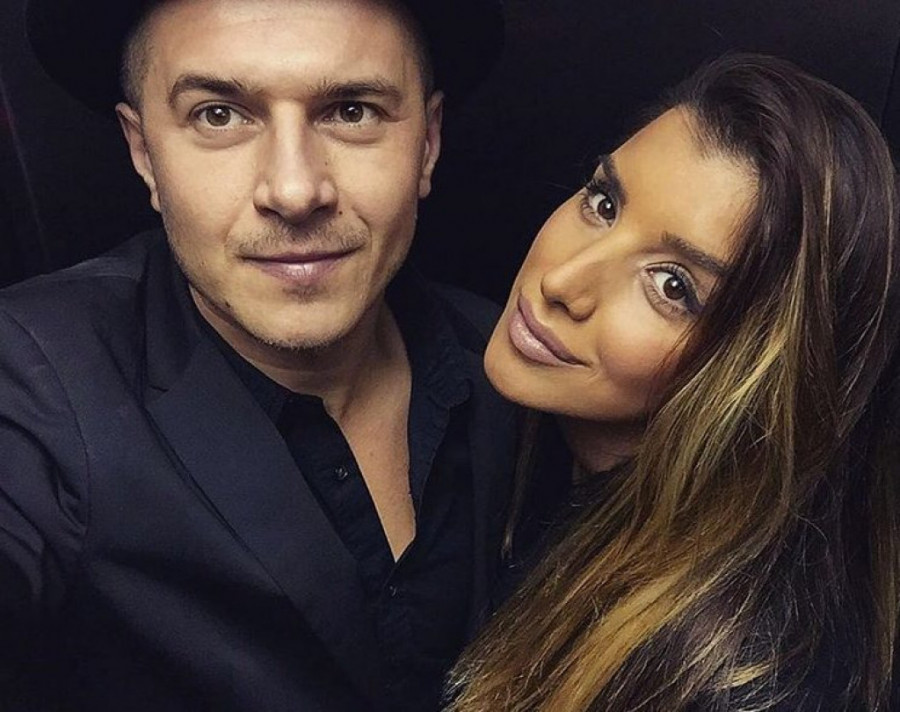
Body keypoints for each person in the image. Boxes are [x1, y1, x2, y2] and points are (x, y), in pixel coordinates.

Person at [0, 1, 517, 710]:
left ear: (426, 144)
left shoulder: (511, 366)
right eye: (219, 115)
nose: (295, 191)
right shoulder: (34, 374)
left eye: (353, 111)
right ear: (144, 153)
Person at [448, 54, 900, 711]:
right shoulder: (547, 456)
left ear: (760, 375)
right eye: (603, 203)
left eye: (671, 286)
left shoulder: (724, 675)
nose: (562, 280)